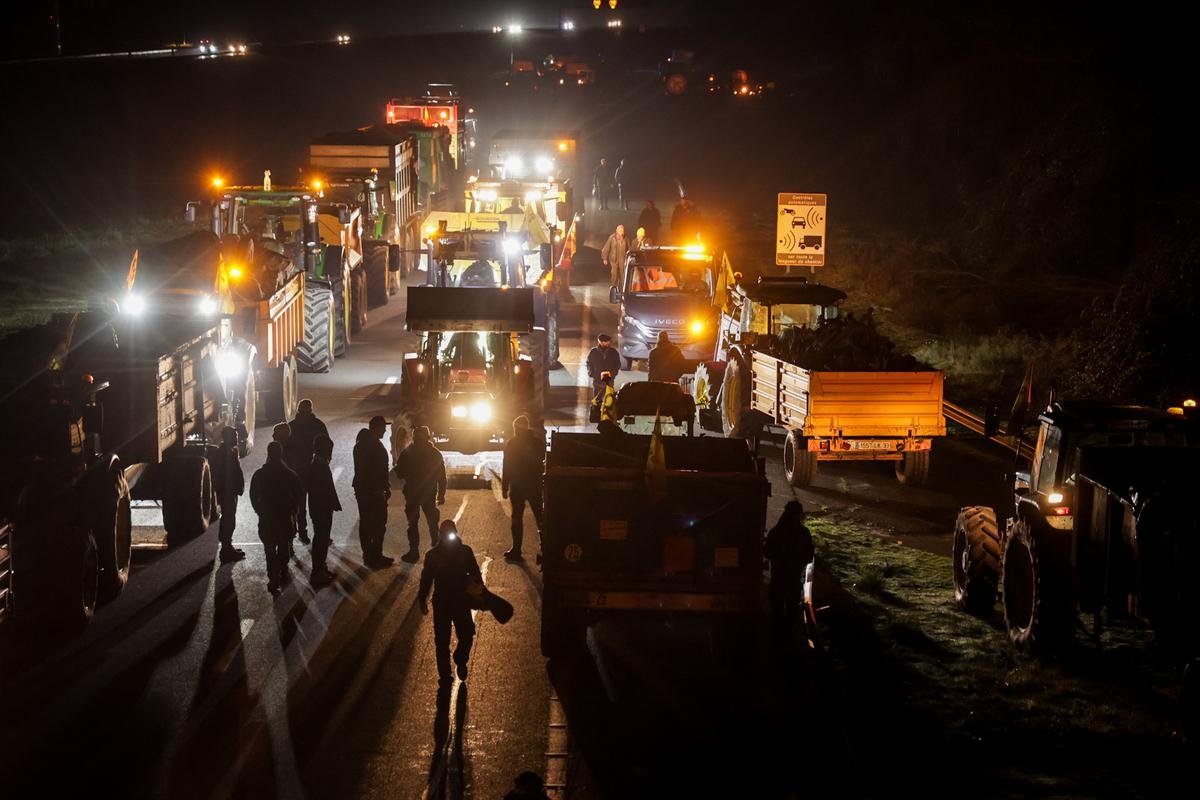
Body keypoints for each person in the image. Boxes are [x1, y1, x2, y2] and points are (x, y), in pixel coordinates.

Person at [419, 520, 483, 683]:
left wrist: (478, 593)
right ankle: (445, 675)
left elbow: (475, 574)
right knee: (442, 640)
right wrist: (422, 598)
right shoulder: (432, 556)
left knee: (466, 634)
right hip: (442, 602)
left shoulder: (465, 552)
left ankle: (460, 658)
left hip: (460, 600)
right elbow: (426, 580)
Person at [250, 441, 303, 594]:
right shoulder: (289, 474)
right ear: (281, 454)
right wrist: (292, 510)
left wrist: (259, 511)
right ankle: (283, 570)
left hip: (267, 518)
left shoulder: (260, 474)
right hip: (284, 517)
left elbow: (253, 495)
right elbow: (299, 494)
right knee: (283, 546)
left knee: (269, 550)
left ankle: (273, 578)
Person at [394, 425, 447, 563]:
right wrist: (441, 494)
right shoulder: (435, 453)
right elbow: (442, 476)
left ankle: (414, 552)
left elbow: (399, 473)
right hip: (428, 494)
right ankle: (438, 550)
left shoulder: (408, 452)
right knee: (432, 522)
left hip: (412, 494)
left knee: (412, 524)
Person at [763, 500, 815, 636]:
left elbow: (767, 552)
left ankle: (777, 632)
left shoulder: (776, 532)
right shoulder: (803, 533)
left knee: (777, 605)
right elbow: (809, 556)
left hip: (778, 576)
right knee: (791, 605)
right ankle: (787, 632)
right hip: (793, 576)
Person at [501, 416, 545, 561]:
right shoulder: (537, 443)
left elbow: (507, 466)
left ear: (517, 429)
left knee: (516, 519)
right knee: (540, 517)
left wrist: (504, 486)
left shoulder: (512, 444)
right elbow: (543, 462)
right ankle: (546, 546)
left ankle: (516, 549)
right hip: (534, 485)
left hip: (518, 486)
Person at [353, 416, 394, 569]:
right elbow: (370, 471)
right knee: (376, 524)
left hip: (367, 490)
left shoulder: (363, 443)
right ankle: (374, 556)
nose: (385, 431)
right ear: (376, 428)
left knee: (368, 523)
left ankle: (371, 555)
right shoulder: (371, 445)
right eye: (383, 428)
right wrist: (378, 489)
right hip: (372, 492)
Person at [286, 399, 328, 546]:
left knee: (302, 505)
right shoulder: (318, 425)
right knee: (314, 505)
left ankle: (303, 533)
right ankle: (313, 534)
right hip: (310, 471)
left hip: (300, 471)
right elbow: (327, 445)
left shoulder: (292, 426)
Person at [307, 433, 341, 585]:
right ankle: (317, 572)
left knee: (322, 539)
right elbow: (324, 489)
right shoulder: (319, 466)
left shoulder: (318, 463)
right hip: (321, 510)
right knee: (321, 540)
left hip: (320, 509)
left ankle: (321, 568)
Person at [211, 426, 246, 564]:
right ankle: (226, 549)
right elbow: (230, 474)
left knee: (228, 518)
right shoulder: (227, 454)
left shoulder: (226, 452)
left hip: (227, 491)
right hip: (228, 492)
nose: (237, 438)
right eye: (234, 436)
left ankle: (227, 547)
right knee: (229, 519)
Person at [600, 224, 627, 289]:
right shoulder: (612, 238)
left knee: (623, 274)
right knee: (614, 274)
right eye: (620, 230)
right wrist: (604, 258)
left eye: (622, 230)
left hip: (622, 259)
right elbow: (606, 247)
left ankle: (623, 289)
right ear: (617, 231)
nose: (621, 232)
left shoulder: (625, 238)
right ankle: (613, 288)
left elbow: (629, 248)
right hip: (614, 259)